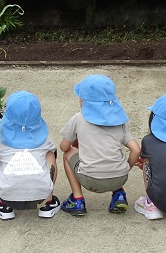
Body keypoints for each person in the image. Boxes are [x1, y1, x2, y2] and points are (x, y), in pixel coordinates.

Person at [59, 75, 140, 216]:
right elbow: (136, 150)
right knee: (113, 155)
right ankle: (119, 194)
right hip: (119, 177)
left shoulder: (78, 118)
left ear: (82, 101)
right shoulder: (119, 122)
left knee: (67, 154)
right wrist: (126, 168)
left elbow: (64, 147)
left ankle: (77, 199)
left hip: (90, 180)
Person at [0, 90, 60, 220]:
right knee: (50, 153)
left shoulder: (1, 140)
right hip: (41, 196)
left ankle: (2, 204)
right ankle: (49, 202)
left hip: (8, 196)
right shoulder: (45, 140)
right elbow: (54, 151)